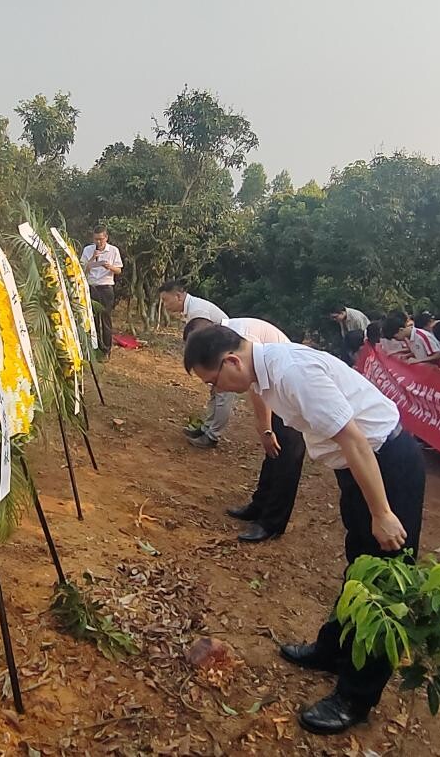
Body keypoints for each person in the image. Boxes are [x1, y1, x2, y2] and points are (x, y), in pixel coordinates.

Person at [183, 324, 425, 735]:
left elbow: (355, 440)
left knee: (385, 582)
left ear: (232, 361)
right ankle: (333, 649)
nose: (216, 390)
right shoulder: (265, 372)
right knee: (360, 565)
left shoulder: (292, 373)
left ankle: (356, 697)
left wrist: (382, 512)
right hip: (361, 467)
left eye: (214, 382)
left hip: (384, 464)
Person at [185, 315, 305, 543]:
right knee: (273, 455)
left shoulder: (241, 336)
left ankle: (272, 523)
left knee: (287, 458)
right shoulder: (231, 336)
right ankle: (259, 506)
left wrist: (266, 428)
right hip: (276, 390)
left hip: (290, 394)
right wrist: (265, 429)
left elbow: (257, 387)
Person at [158, 280, 231, 448]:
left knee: (223, 394)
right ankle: (207, 429)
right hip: (221, 352)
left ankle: (212, 436)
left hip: (228, 353)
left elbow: (203, 343)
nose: (165, 305)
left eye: (165, 300)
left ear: (178, 296)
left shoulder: (198, 312)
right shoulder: (193, 308)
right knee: (216, 393)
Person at [79, 227, 122, 360]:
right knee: (93, 319)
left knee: (105, 319)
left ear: (106, 238)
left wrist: (109, 266)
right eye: (96, 239)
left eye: (101, 239)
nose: (98, 242)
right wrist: (93, 258)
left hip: (106, 287)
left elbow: (119, 270)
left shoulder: (113, 250)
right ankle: (95, 349)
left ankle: (106, 350)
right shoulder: (88, 250)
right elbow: (82, 268)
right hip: (92, 287)